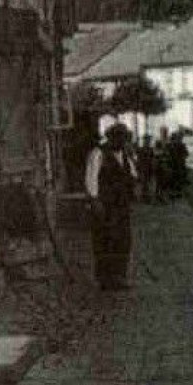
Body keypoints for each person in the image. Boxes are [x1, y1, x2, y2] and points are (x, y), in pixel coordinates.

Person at [84, 123, 138, 290]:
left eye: (125, 138)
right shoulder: (98, 153)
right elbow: (90, 179)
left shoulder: (125, 155)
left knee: (123, 241)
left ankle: (119, 276)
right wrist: (95, 201)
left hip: (121, 206)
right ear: (111, 137)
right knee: (105, 241)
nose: (122, 142)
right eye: (120, 138)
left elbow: (133, 175)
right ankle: (105, 279)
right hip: (105, 206)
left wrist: (133, 190)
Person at [163, 128, 190, 200]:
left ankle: (175, 193)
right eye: (177, 138)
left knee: (176, 179)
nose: (177, 139)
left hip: (176, 165)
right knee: (175, 179)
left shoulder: (174, 145)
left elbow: (186, 154)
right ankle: (175, 193)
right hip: (175, 165)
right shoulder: (176, 145)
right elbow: (186, 154)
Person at [135, 134, 158, 205]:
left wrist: (153, 165)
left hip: (148, 167)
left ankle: (146, 197)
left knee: (148, 182)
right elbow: (139, 159)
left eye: (148, 140)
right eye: (147, 140)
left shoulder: (150, 149)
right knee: (144, 182)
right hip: (143, 167)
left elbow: (152, 158)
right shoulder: (141, 149)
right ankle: (144, 197)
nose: (148, 141)